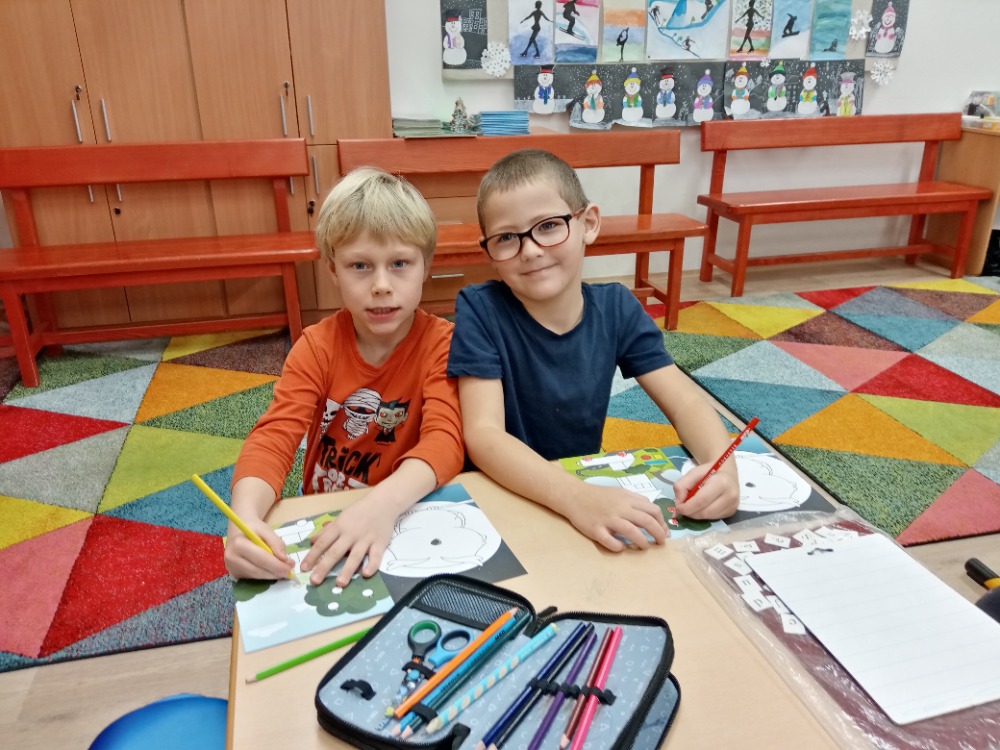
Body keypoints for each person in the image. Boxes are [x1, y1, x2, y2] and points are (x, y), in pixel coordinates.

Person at [447, 150, 740, 551]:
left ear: (588, 223)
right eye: (506, 238)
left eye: (548, 226)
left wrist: (722, 468)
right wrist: (576, 498)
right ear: (489, 253)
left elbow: (686, 402)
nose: (530, 250)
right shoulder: (480, 309)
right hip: (507, 492)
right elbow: (484, 435)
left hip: (580, 490)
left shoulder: (618, 307)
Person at [224, 167, 464, 586]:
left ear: (426, 266)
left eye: (400, 263)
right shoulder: (317, 347)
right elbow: (274, 437)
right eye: (360, 266)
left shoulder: (443, 345)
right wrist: (243, 520)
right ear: (333, 269)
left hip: (406, 510)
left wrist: (381, 506)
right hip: (327, 516)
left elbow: (445, 440)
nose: (381, 285)